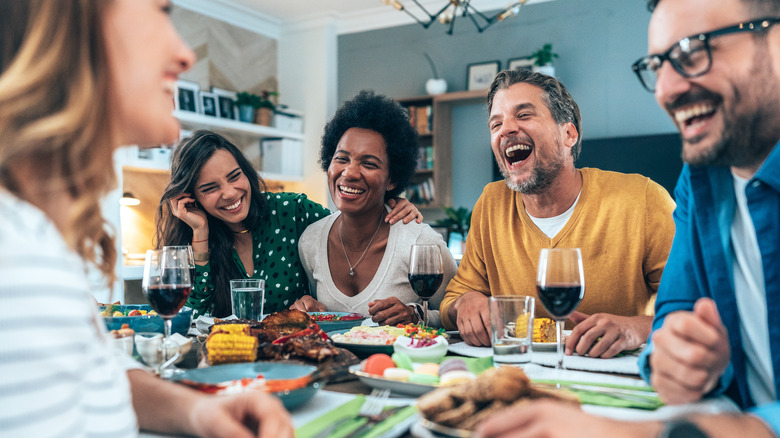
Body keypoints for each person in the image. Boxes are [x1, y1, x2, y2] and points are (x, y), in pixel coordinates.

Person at [475, 0, 780, 436]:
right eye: (658, 66)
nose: (666, 90)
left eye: (694, 52)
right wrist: (673, 360)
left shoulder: (646, 196)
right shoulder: (702, 181)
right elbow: (674, 316)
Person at [0, 1, 292, 437]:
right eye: (161, 11)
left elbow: (99, 371)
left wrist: (198, 414)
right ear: (71, 31)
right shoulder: (15, 259)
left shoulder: (36, 243)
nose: (185, 54)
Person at [439, 69, 676, 357]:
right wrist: (465, 304)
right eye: (496, 123)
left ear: (568, 134)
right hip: (518, 376)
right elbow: (455, 295)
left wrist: (638, 328)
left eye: (524, 115)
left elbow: (699, 306)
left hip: (612, 380)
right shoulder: (491, 203)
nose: (506, 129)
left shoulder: (643, 199)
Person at [156, 130, 423, 319]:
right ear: (193, 198)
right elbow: (191, 319)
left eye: (234, 176)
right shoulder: (193, 239)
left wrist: (388, 202)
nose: (229, 193)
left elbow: (350, 224)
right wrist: (200, 234)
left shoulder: (291, 211)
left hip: (297, 355)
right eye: (210, 188)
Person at [290, 90, 457, 327]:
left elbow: (456, 314)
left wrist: (416, 316)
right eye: (342, 159)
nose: (349, 173)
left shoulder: (420, 243)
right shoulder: (311, 241)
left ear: (392, 180)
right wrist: (309, 306)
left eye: (369, 164)